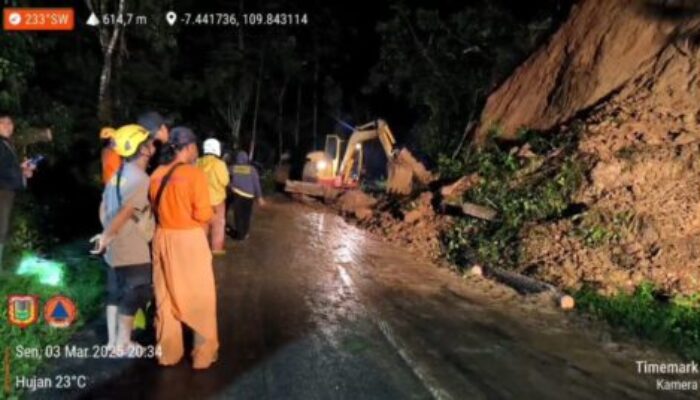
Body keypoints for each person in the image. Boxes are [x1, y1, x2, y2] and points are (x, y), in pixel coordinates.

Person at [149, 127, 218, 370]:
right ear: (187, 148)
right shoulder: (194, 175)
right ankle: (202, 355)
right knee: (201, 298)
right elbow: (203, 214)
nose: (196, 151)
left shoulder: (156, 174)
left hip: (161, 237)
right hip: (188, 240)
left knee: (164, 298)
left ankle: (167, 353)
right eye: (195, 146)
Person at [91, 124, 156, 354]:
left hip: (116, 249)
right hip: (131, 247)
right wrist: (109, 235)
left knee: (118, 292)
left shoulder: (118, 174)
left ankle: (116, 342)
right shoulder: (140, 177)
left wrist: (106, 232)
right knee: (138, 290)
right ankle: (123, 343)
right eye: (150, 142)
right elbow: (127, 210)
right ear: (144, 150)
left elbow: (103, 206)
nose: (153, 145)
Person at [0, 111, 36, 271]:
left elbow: (8, 169)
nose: (8, 126)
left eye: (10, 123)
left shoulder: (8, 144)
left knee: (3, 228)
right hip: (2, 191)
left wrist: (23, 171)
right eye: (3, 123)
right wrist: (20, 170)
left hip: (7, 191)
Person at [196, 138, 230, 255]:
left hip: (201, 201)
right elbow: (225, 181)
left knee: (202, 227)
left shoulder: (197, 162)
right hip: (217, 202)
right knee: (218, 227)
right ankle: (216, 251)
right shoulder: (220, 164)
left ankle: (201, 251)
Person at [230, 150, 265, 240]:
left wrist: (231, 186)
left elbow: (225, 179)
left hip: (238, 195)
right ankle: (245, 233)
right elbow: (256, 184)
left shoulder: (233, 168)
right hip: (249, 196)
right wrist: (260, 197)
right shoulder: (252, 170)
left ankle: (240, 234)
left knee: (238, 216)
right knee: (246, 216)